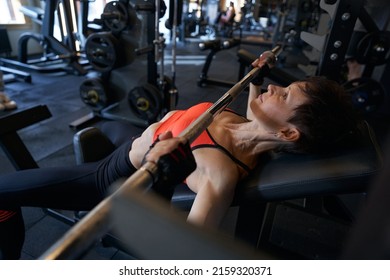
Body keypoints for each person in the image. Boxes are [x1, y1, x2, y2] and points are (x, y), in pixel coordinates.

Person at [0, 52, 362, 259]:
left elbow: (179, 258)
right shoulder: (249, 116)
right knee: (103, 128)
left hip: (108, 177)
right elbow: (258, 95)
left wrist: (165, 180)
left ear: (287, 133)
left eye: (283, 95)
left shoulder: (220, 176)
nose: (272, 87)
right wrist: (258, 71)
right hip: (132, 134)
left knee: (2, 194)